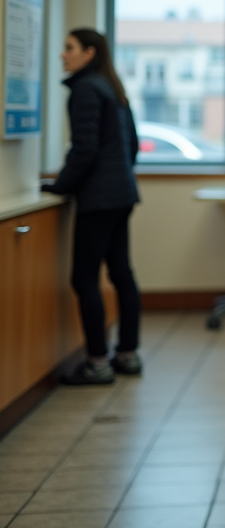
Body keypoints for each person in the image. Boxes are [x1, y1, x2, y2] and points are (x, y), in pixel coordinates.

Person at [43, 29, 143, 384]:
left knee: (84, 277)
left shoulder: (86, 89)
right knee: (121, 274)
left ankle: (97, 363)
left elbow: (85, 148)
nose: (62, 55)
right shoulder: (112, 88)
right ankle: (128, 355)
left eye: (68, 48)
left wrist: (61, 186)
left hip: (100, 198)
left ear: (89, 53)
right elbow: (131, 145)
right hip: (122, 193)